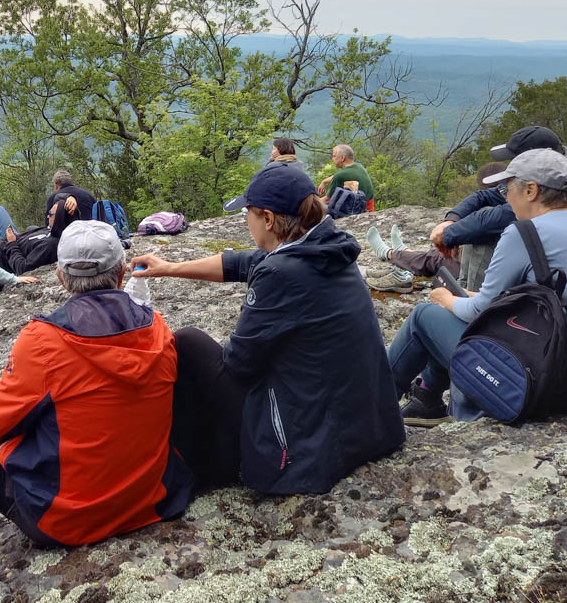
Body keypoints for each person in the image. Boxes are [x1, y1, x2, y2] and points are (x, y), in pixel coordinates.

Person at [0, 220, 192, 548]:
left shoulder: (43, 340)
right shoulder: (157, 327)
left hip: (64, 520)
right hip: (154, 499)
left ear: (61, 278)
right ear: (121, 274)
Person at [130, 162, 404, 494]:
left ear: (269, 219)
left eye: (248, 213)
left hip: (310, 454)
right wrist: (171, 268)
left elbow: (238, 365)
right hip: (366, 430)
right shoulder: (327, 248)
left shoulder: (281, 274)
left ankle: (202, 465)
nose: (245, 221)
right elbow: (243, 262)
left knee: (187, 342)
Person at [391, 149, 567, 427]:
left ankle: (371, 408)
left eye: (508, 188)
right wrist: (471, 298)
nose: (505, 197)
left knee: (425, 318)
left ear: (531, 190)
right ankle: (426, 398)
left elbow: (477, 312)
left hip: (544, 383)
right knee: (460, 313)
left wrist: (445, 299)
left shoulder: (524, 233)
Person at [428, 126, 567, 291]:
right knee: (479, 225)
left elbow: (498, 219)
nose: (510, 163)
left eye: (515, 159)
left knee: (484, 232)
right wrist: (451, 220)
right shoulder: (553, 171)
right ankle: (467, 295)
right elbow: (486, 195)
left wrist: (448, 235)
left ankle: (476, 307)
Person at [365, 163, 507, 293]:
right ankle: (402, 251)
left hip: (491, 272)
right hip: (491, 264)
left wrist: (451, 235)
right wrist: (451, 221)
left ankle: (388, 253)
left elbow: (483, 222)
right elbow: (481, 197)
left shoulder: (510, 211)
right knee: (438, 254)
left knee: (435, 258)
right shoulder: (511, 196)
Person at [0, 201, 76, 275]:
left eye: (51, 213)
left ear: (59, 219)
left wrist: (12, 243)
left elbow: (22, 268)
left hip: (2, 258)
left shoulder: (49, 245)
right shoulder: (55, 229)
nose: (48, 215)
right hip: (13, 239)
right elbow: (60, 191)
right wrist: (71, 198)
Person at [317, 144, 375, 211]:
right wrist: (324, 181)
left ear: (342, 158)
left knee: (320, 207)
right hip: (369, 208)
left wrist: (311, 203)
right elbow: (339, 175)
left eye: (334, 156)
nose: (332, 159)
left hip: (358, 211)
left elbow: (327, 200)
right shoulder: (359, 166)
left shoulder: (340, 175)